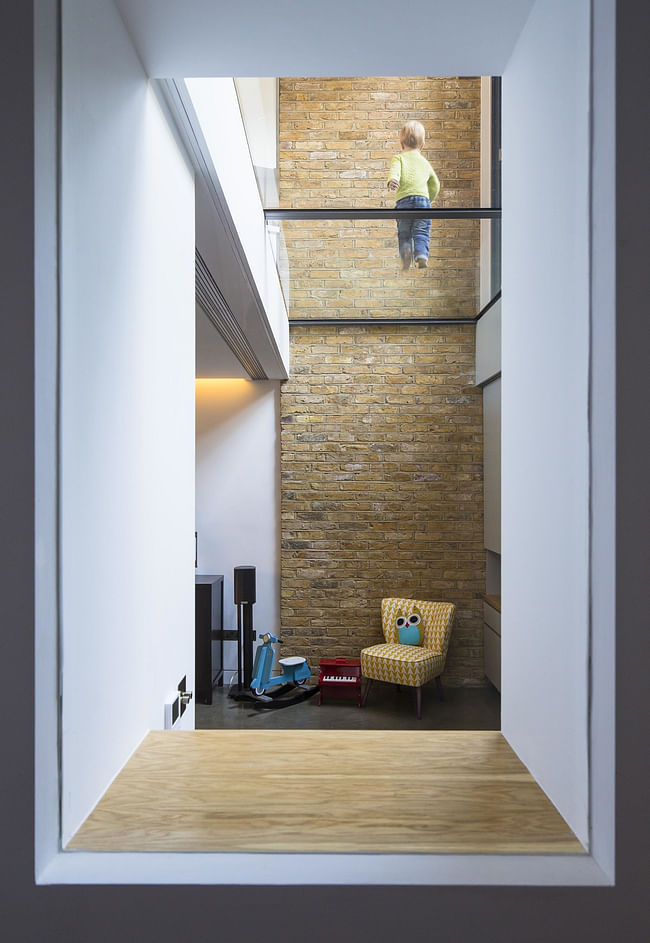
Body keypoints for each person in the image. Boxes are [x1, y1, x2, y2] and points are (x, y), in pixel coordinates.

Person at [387, 120, 440, 270]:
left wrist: (393, 180)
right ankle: (421, 255)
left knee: (404, 232)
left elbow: (395, 172)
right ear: (422, 145)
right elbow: (435, 184)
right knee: (421, 231)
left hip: (403, 202)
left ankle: (405, 251)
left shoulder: (399, 158)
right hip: (423, 202)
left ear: (401, 144)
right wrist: (428, 200)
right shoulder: (424, 162)